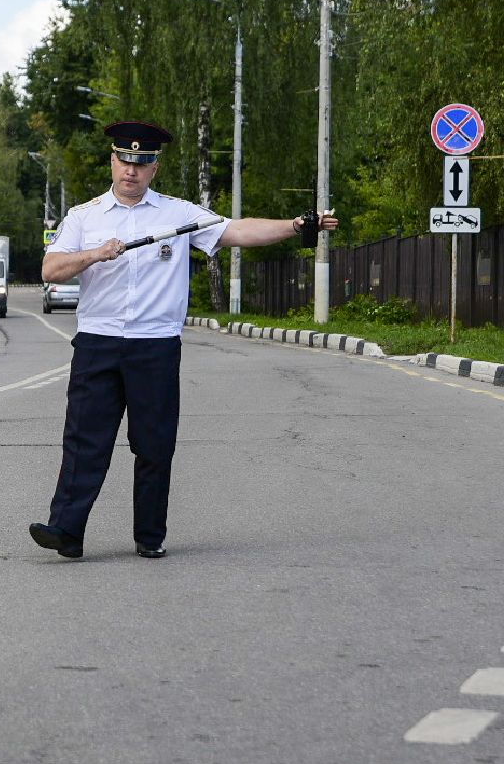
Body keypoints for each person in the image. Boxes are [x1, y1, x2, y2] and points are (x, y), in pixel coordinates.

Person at [28, 120, 339, 560]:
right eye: (124, 160)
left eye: (142, 162)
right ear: (112, 161)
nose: (131, 170)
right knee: (85, 441)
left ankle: (149, 537)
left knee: (154, 444)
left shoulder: (178, 214)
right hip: (97, 343)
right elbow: (50, 270)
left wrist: (295, 224)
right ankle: (66, 530)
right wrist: (96, 253)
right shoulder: (83, 217)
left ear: (154, 167)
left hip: (154, 345)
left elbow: (237, 231)